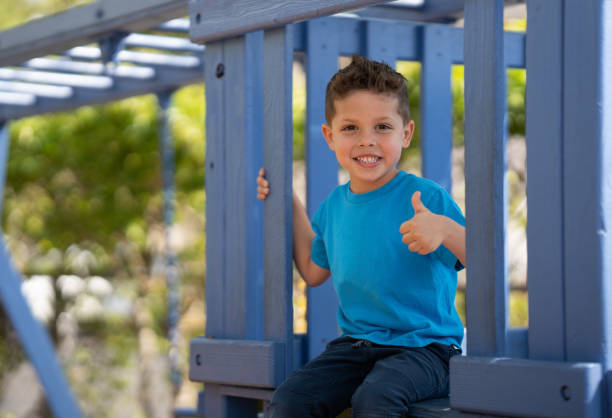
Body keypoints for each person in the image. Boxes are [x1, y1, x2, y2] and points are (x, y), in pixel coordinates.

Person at [256, 54, 466, 418]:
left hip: (428, 349)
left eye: (382, 127)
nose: (367, 141)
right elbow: (312, 269)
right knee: (290, 400)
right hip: (356, 347)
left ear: (406, 133)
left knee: (375, 399)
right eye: (351, 128)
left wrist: (445, 229)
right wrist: (287, 201)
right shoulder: (334, 207)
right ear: (329, 135)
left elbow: (481, 255)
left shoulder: (426, 198)